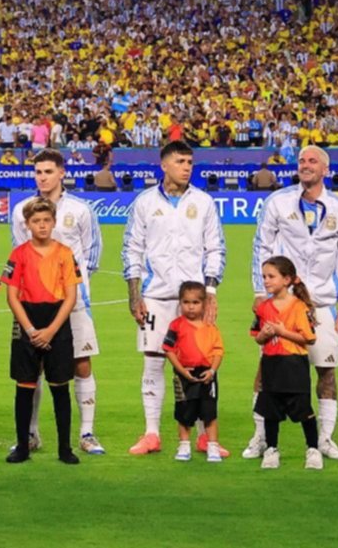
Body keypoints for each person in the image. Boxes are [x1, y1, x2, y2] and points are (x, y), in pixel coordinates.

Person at [246, 146, 338, 460]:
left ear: (325, 169)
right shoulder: (278, 202)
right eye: (301, 161)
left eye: (312, 161)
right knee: (266, 370)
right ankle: (260, 438)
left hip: (322, 304)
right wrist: (260, 292)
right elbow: (262, 247)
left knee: (326, 371)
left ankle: (324, 439)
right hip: (282, 303)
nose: (305, 165)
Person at [121, 141, 226, 455]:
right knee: (153, 361)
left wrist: (210, 292)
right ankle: (152, 433)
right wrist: (134, 295)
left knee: (199, 363)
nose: (187, 166)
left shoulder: (204, 202)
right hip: (156, 296)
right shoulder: (144, 202)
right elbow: (132, 249)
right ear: (164, 164)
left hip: (194, 299)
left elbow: (216, 248)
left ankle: (204, 436)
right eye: (180, 161)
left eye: (190, 161)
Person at [10, 148, 105, 455]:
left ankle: (86, 433)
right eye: (38, 172)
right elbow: (19, 253)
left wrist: (68, 285)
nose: (43, 177)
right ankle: (31, 434)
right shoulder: (21, 210)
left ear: (62, 172)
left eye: (49, 171)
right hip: (32, 302)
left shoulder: (80, 209)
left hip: (73, 300)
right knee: (31, 367)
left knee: (81, 362)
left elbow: (91, 255)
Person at [1, 197, 80, 465]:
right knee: (24, 387)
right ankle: (23, 445)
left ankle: (65, 448)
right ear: (27, 225)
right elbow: (11, 297)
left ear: (54, 222)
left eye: (47, 220)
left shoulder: (65, 253)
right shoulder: (18, 254)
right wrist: (32, 329)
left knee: (60, 387)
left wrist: (50, 331)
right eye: (36, 221)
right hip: (28, 320)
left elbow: (71, 296)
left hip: (57, 321)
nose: (42, 225)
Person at [251, 256, 323, 470]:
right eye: (264, 276)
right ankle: (271, 449)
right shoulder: (263, 308)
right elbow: (256, 336)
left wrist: (283, 332)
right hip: (271, 363)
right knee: (270, 410)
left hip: (294, 364)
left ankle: (313, 449)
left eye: (271, 276)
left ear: (287, 279)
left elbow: (309, 338)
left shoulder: (299, 307)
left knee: (303, 409)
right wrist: (263, 335)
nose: (266, 281)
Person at [161, 282, 225, 463]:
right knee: (184, 412)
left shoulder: (211, 327)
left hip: (206, 375)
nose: (190, 307)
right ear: (180, 303)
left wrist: (212, 370)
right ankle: (184, 445)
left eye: (196, 302)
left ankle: (213, 446)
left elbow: (218, 351)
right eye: (186, 302)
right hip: (185, 374)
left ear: (204, 303)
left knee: (209, 412)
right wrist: (181, 370)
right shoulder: (176, 325)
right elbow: (168, 349)